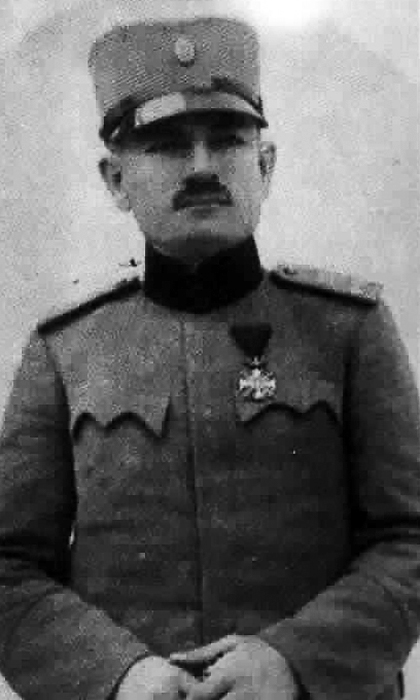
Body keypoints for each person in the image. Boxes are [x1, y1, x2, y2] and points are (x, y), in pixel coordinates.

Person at [0, 15, 419, 700]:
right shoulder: (64, 351)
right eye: (167, 145)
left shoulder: (349, 330)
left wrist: (293, 662)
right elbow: (10, 568)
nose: (201, 168)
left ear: (265, 165)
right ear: (115, 179)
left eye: (226, 140)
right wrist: (118, 677)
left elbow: (409, 540)